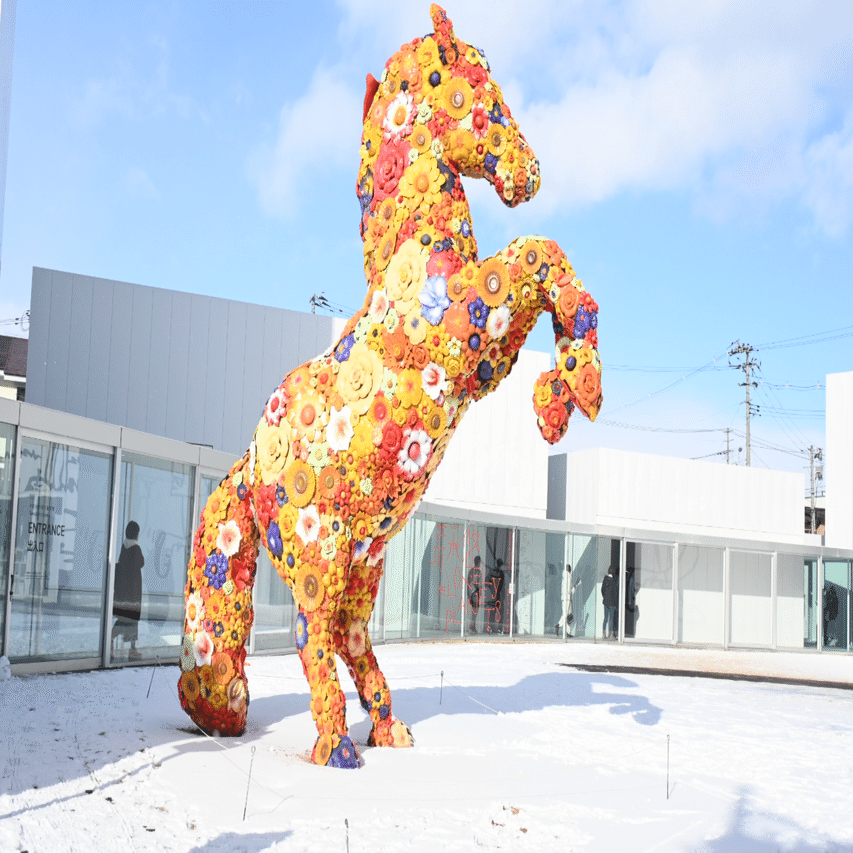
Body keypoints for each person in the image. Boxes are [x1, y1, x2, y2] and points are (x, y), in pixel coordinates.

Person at [113, 520, 145, 661]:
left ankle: (112, 641)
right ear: (136, 534)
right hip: (133, 592)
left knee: (123, 619)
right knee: (131, 621)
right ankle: (132, 649)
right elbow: (141, 562)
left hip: (123, 592)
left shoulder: (123, 547)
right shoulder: (135, 548)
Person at [556, 565, 581, 638]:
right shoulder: (568, 577)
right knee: (566, 614)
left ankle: (568, 632)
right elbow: (569, 591)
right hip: (567, 598)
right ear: (569, 570)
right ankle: (558, 625)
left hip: (565, 598)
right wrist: (576, 585)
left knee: (569, 615)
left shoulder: (565, 577)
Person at [486, 558, 506, 634]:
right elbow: (502, 585)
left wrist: (491, 590)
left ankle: (491, 628)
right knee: (500, 612)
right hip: (498, 596)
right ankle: (499, 629)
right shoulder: (501, 573)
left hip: (493, 595)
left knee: (493, 612)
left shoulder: (492, 572)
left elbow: (488, 580)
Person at [601, 564, 618, 639]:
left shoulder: (605, 579)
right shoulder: (613, 581)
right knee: (611, 619)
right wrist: (616, 603)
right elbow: (615, 593)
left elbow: (602, 590)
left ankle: (603, 633)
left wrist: (605, 597)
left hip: (606, 602)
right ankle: (611, 634)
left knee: (605, 618)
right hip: (611, 603)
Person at [467, 555, 483, 633]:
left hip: (471, 593)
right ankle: (472, 626)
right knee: (475, 611)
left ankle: (472, 626)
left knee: (474, 610)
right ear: (479, 562)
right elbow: (478, 584)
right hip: (475, 593)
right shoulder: (478, 571)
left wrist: (468, 594)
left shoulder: (471, 571)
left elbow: (468, 582)